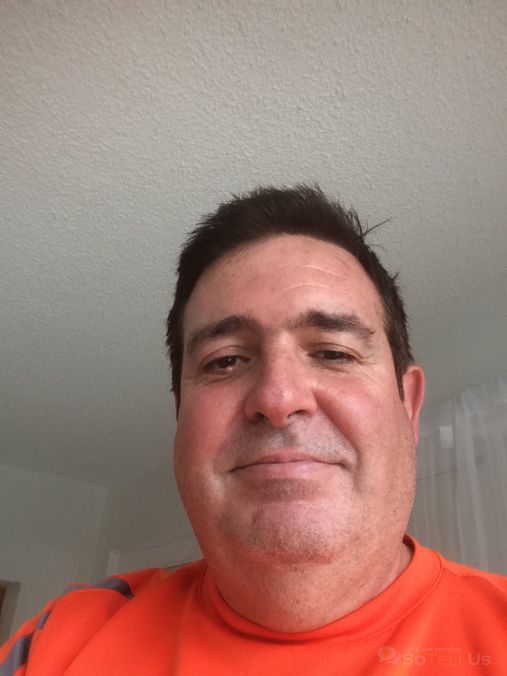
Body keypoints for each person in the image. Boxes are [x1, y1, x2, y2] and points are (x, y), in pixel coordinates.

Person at [1, 185, 506, 675]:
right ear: (180, 414)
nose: (278, 398)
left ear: (409, 407)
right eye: (225, 361)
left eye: (333, 352)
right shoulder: (59, 640)